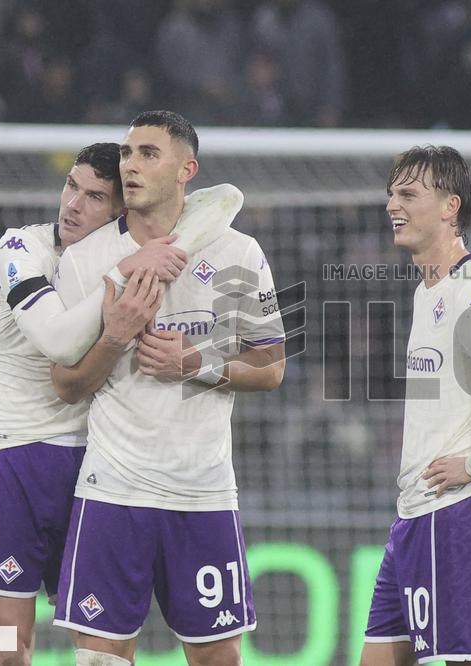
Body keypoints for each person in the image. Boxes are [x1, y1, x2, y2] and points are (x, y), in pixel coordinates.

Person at [50, 110, 285, 666]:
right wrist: (116, 335)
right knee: (100, 661)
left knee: (218, 661)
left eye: (148, 154)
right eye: (128, 154)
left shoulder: (238, 254)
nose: (130, 165)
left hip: (201, 491)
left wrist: (195, 365)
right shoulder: (88, 261)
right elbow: (66, 385)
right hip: (112, 489)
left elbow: (271, 367)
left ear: (187, 169)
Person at [0, 142, 188, 665]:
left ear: (120, 211)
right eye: (70, 187)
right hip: (13, 455)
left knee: (102, 651)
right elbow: (59, 341)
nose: (73, 205)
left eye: (94, 196)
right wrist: (126, 272)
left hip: (97, 465)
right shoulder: (20, 246)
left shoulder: (122, 262)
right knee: (9, 650)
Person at [361, 146, 471, 665]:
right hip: (416, 511)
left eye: (408, 193)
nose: (393, 204)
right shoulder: (427, 289)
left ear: (449, 206)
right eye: (392, 192)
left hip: (466, 505)